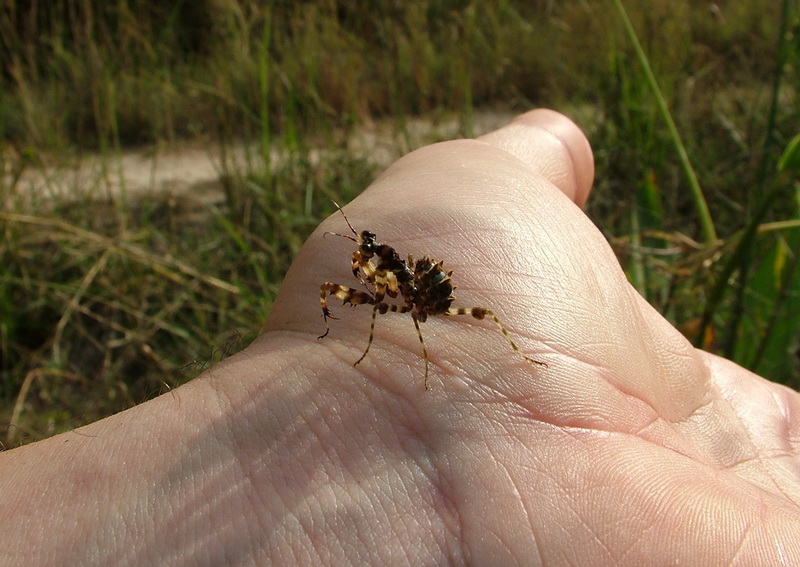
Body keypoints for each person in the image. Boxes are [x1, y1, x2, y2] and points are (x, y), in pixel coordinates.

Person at [2, 109, 798, 565]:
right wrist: (339, 355)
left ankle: (502, 349)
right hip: (406, 310)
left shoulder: (411, 285)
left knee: (463, 319)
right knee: (342, 297)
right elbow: (355, 288)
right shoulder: (369, 275)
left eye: (365, 250)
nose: (360, 258)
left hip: (433, 306)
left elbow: (429, 302)